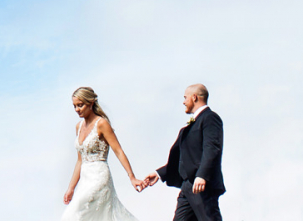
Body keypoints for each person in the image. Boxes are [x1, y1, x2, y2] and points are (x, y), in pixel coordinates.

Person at [139, 84, 225, 221]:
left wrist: (202, 175)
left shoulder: (210, 118)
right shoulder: (188, 127)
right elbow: (185, 160)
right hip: (187, 187)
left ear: (194, 97)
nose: (183, 102)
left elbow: (212, 148)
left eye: (185, 98)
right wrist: (159, 173)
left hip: (202, 186)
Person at [61, 87, 144, 221]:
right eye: (75, 106)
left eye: (80, 105)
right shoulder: (78, 126)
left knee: (75, 214)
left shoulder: (102, 124)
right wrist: (71, 188)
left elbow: (118, 151)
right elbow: (79, 161)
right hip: (85, 179)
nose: (77, 109)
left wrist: (132, 177)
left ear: (91, 103)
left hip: (99, 176)